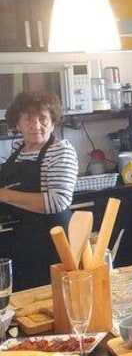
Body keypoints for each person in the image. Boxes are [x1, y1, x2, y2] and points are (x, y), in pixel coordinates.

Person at [0, 91, 77, 290]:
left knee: (50, 302)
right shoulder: (18, 149)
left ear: (53, 121)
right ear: (17, 123)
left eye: (43, 119)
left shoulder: (61, 150)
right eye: (28, 120)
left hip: (49, 244)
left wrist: (4, 195)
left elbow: (57, 202)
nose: (36, 126)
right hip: (18, 241)